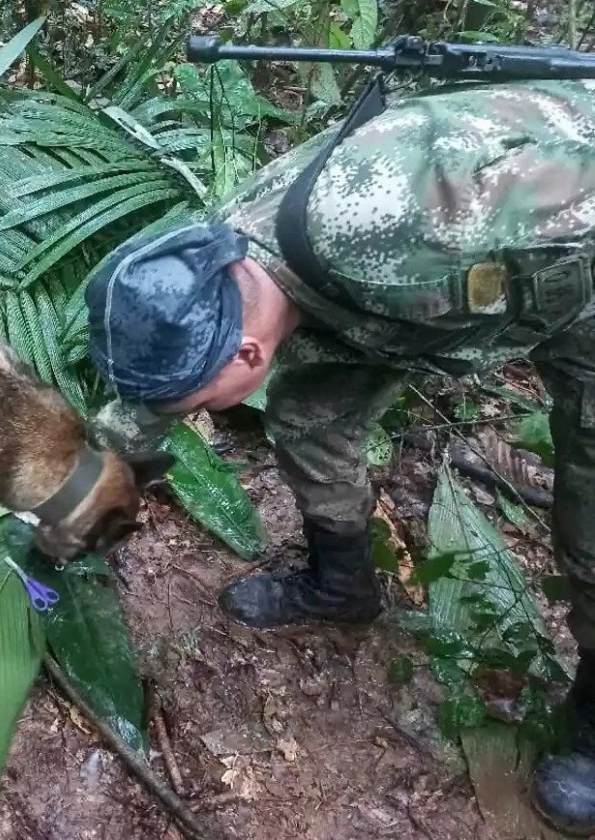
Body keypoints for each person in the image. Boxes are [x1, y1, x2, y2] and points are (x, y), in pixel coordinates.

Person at [84, 74, 595, 836]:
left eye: (196, 402)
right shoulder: (220, 263)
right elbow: (152, 394)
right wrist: (76, 497)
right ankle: (341, 584)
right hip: (407, 307)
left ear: (247, 351)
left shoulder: (405, 227)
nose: (187, 414)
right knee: (311, 416)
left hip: (573, 277)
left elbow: (565, 174)